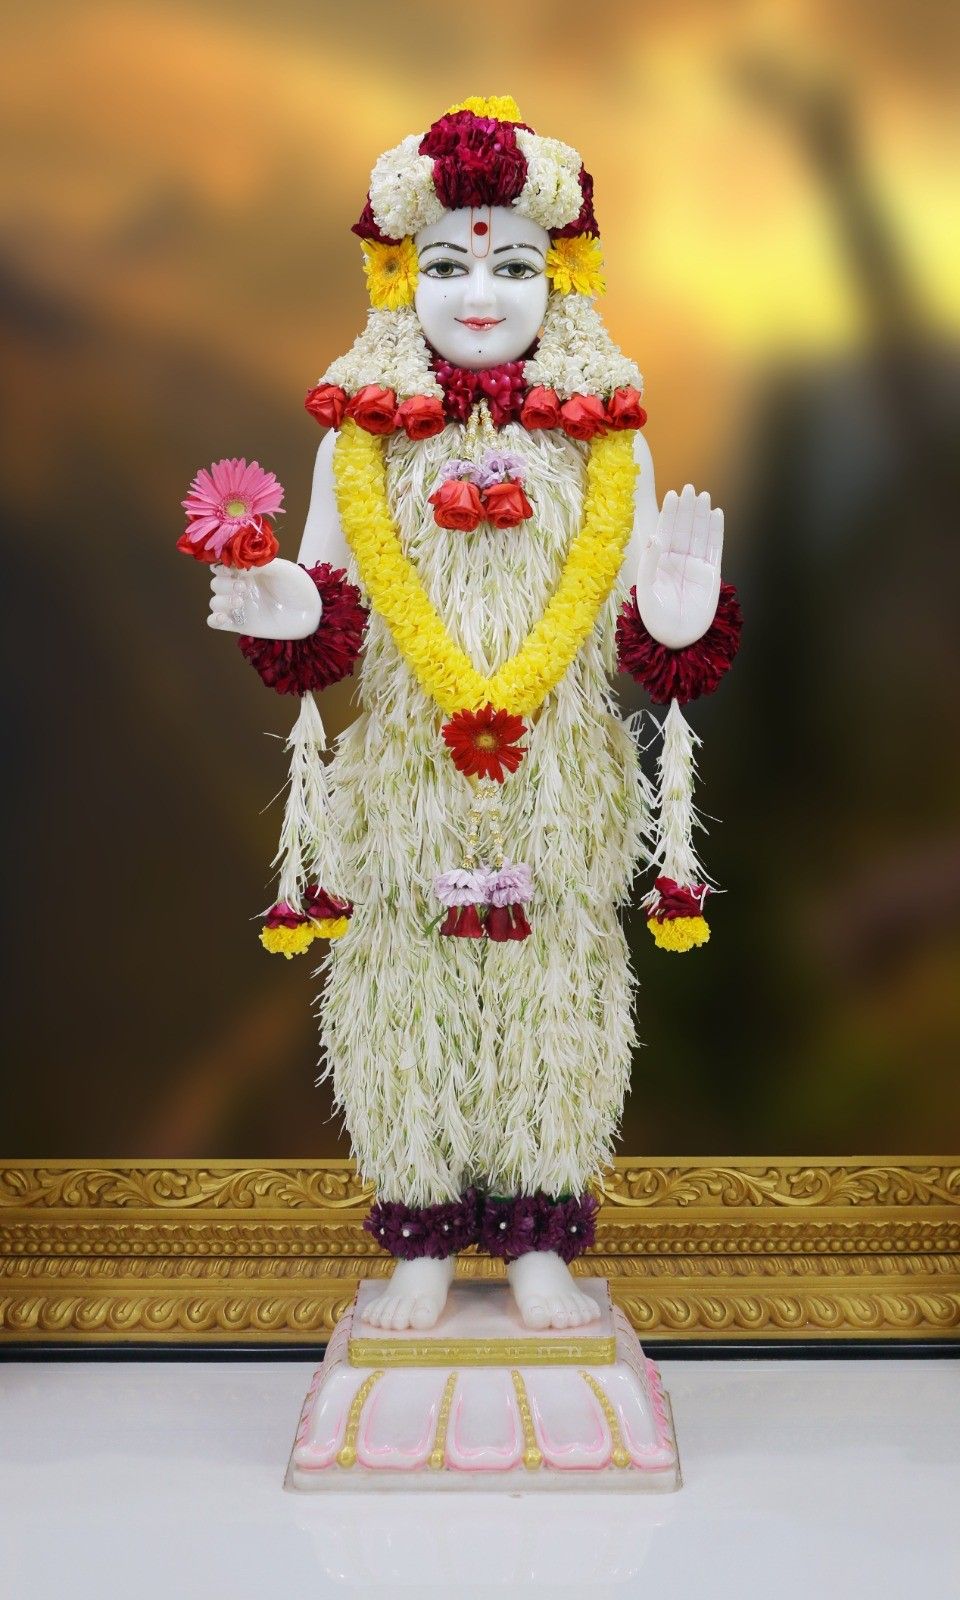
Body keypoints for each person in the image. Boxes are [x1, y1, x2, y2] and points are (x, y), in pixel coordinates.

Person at [204, 97, 738, 1333]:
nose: (480, 293)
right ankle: (425, 1235)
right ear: (402, 278)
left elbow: (639, 610)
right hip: (411, 776)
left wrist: (672, 619)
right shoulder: (365, 439)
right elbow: (331, 596)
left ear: (564, 275)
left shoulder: (606, 436)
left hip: (559, 772)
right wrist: (285, 603)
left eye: (511, 264)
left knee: (558, 988)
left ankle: (544, 1223)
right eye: (447, 265)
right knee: (405, 991)